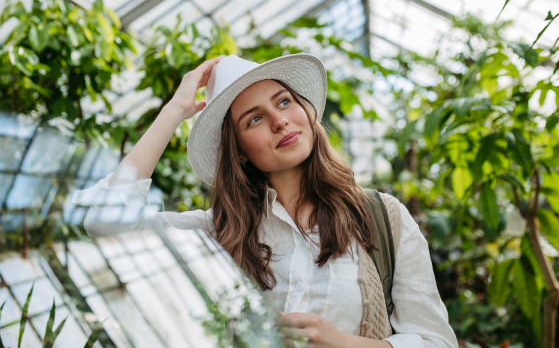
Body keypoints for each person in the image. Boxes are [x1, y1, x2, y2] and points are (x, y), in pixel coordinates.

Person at [72, 53, 458, 348]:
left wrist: (339, 341)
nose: (280, 121)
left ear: (305, 109)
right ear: (238, 149)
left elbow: (436, 342)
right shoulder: (216, 232)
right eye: (254, 119)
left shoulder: (381, 217)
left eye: (284, 102)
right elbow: (100, 222)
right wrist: (175, 112)